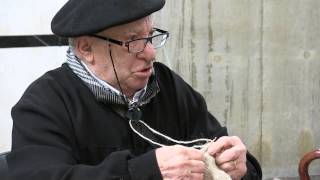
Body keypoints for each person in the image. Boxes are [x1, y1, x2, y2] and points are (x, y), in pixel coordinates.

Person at [7, 0, 262, 179]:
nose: (151, 53)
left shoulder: (168, 86)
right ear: (86, 48)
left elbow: (222, 147)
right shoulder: (45, 102)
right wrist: (143, 172)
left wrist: (241, 167)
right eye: (133, 41)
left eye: (150, 37)